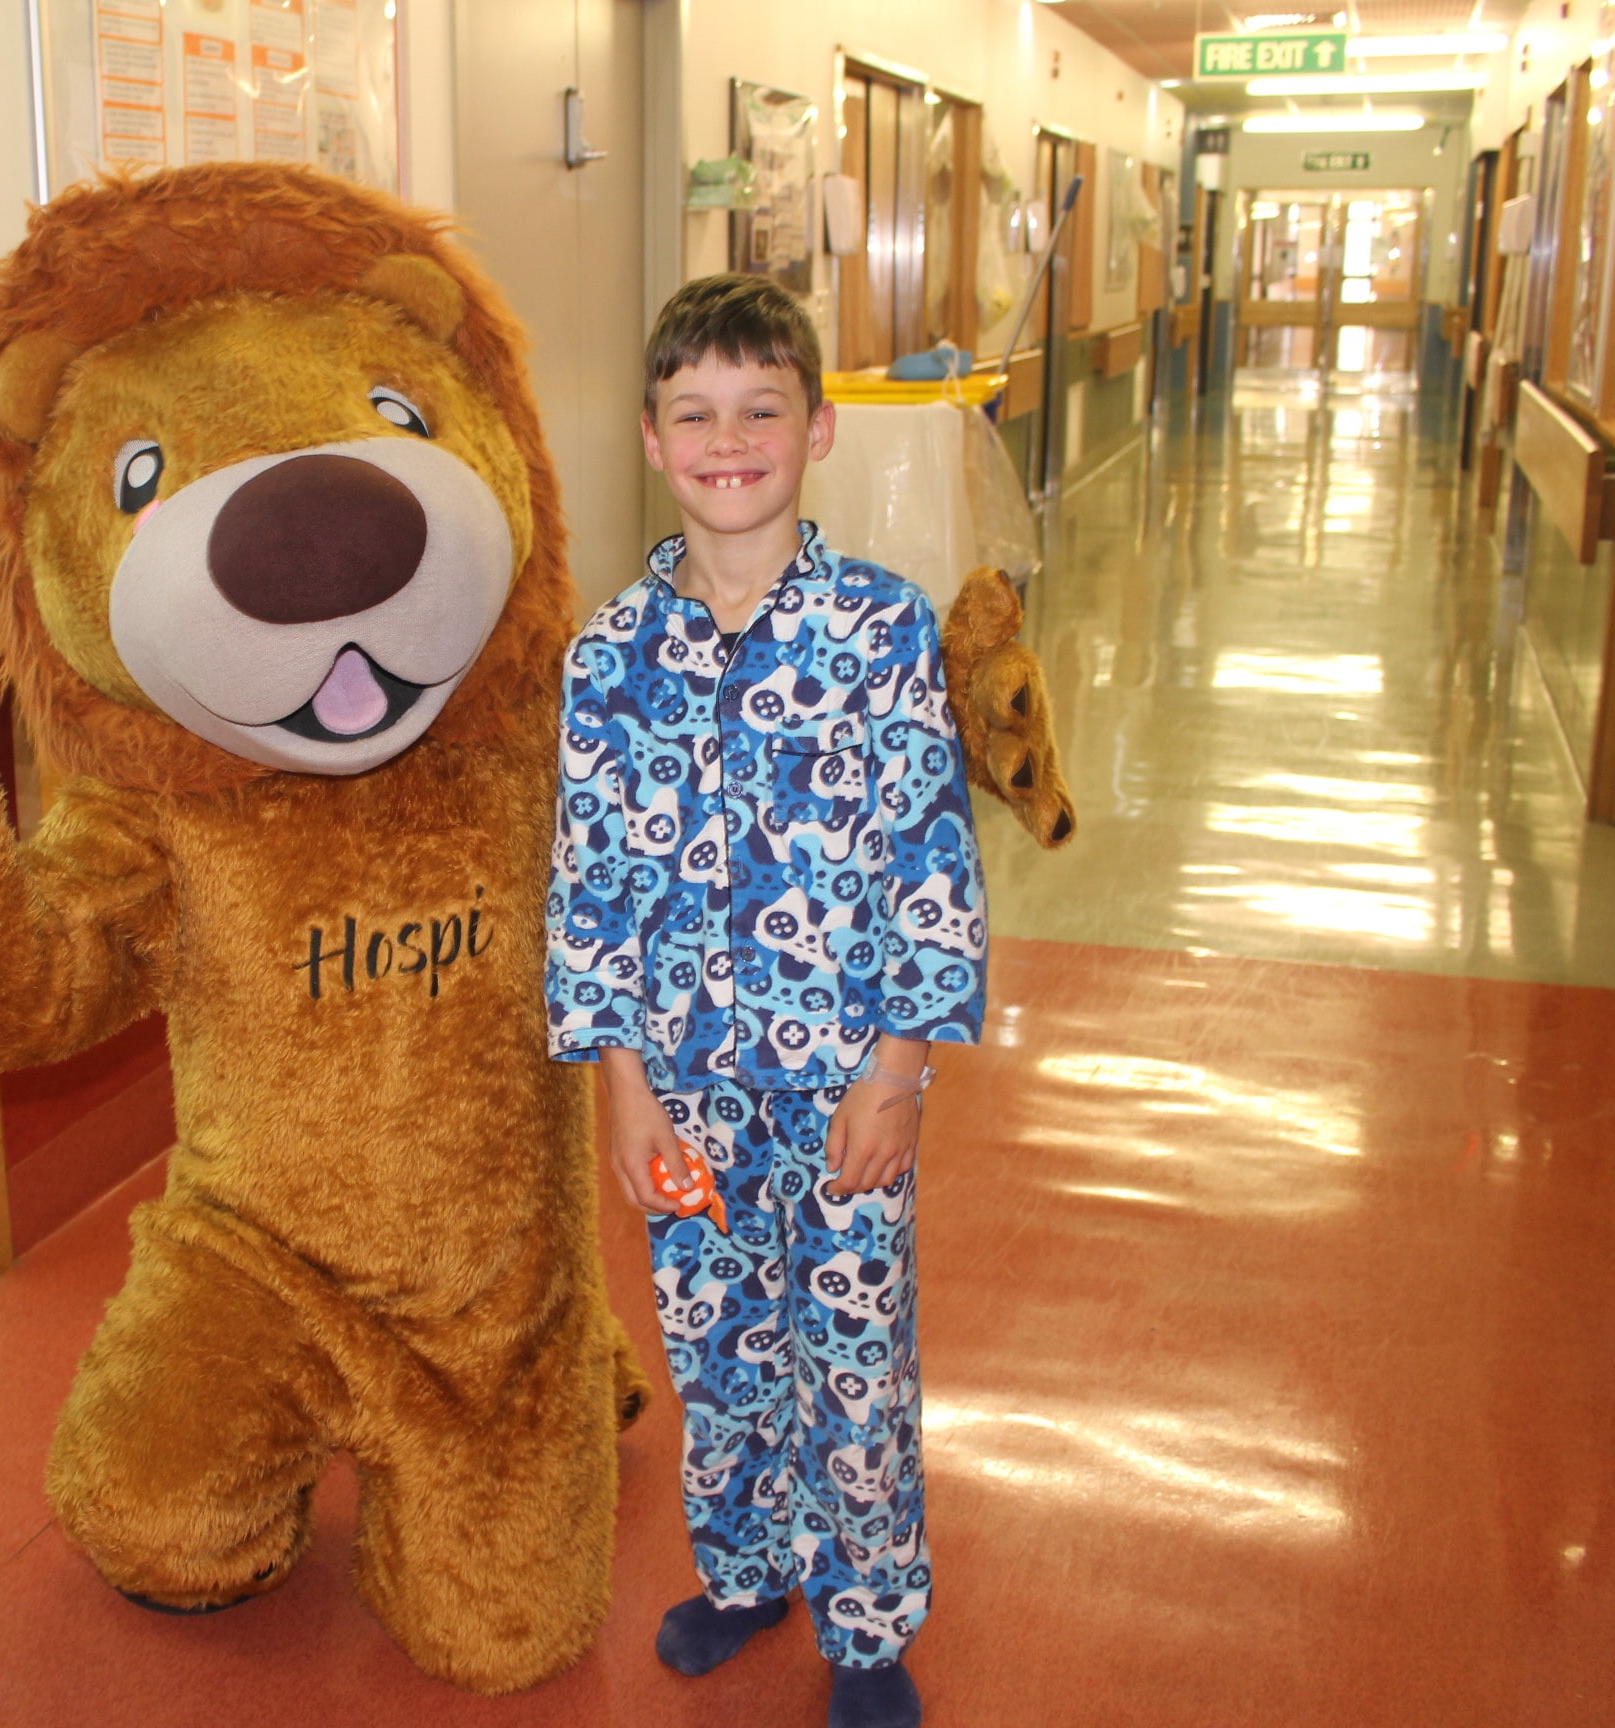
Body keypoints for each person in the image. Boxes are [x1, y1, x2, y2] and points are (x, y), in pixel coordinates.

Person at [544, 275, 987, 1728]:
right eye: (696, 414)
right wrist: (621, 1082)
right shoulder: (607, 656)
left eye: (760, 410)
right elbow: (588, 882)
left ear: (817, 430)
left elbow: (930, 852)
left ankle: (865, 1621)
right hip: (683, 1087)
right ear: (655, 443)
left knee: (855, 1355)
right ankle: (745, 1568)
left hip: (848, 1074)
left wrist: (903, 1068)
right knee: (713, 1344)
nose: (728, 440)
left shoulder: (881, 630)